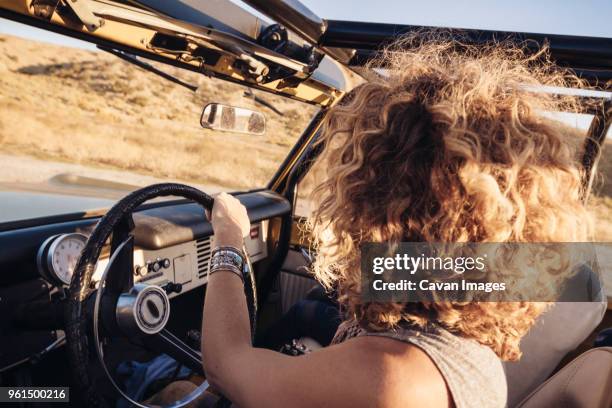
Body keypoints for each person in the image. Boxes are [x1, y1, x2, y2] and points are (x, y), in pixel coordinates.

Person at [162, 34, 593, 407]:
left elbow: (225, 366)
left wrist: (229, 241)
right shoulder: (458, 308)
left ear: (383, 199)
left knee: (168, 389)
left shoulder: (394, 376)